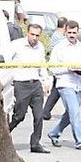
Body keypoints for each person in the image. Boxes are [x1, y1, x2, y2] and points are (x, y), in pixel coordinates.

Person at [47, 20, 81, 150]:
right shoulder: (59, 47)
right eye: (69, 32)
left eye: (74, 33)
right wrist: (68, 68)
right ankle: (80, 141)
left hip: (79, 83)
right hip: (65, 83)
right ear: (65, 32)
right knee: (74, 112)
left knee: (71, 113)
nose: (72, 35)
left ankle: (54, 133)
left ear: (78, 33)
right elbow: (52, 68)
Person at [8, 23, 51, 153]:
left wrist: (46, 81)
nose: (34, 38)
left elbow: (42, 65)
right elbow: (6, 61)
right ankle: (4, 134)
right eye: (32, 34)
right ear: (28, 33)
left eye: (37, 35)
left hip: (36, 84)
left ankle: (35, 143)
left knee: (39, 116)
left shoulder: (40, 47)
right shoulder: (17, 45)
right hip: (21, 84)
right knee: (19, 115)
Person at [41, 16, 69, 121]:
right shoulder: (59, 38)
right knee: (59, 91)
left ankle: (46, 111)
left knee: (56, 92)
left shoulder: (57, 35)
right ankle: (70, 111)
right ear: (65, 27)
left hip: (59, 68)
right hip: (59, 68)